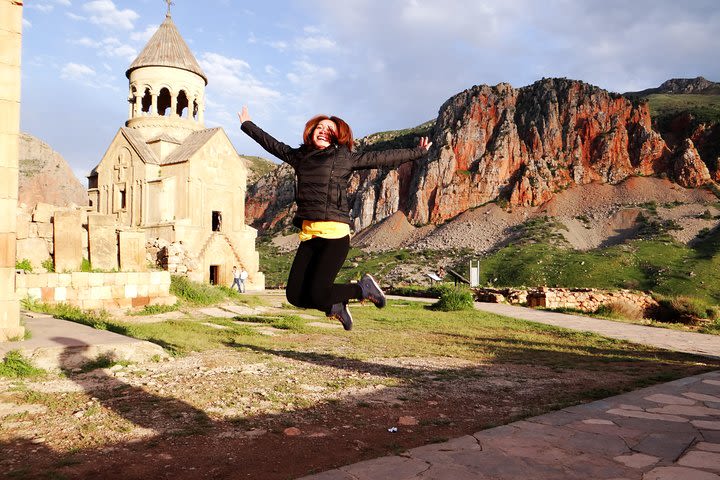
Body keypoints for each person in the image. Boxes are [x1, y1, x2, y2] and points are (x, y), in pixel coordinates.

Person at [238, 106, 432, 330]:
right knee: (295, 296)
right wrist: (247, 125)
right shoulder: (300, 157)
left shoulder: (343, 158)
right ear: (311, 132)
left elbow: (381, 157)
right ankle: (335, 307)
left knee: (319, 292)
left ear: (337, 136)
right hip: (310, 235)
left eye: (328, 129)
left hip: (334, 235)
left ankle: (362, 289)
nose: (322, 131)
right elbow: (272, 145)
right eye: (318, 127)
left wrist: (418, 152)